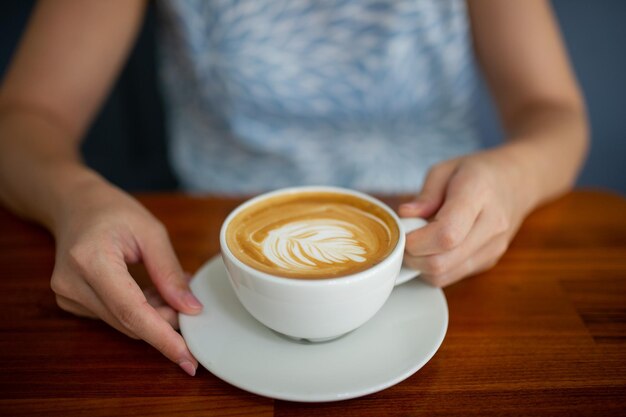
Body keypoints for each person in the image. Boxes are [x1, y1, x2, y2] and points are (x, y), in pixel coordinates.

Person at [0, 0, 588, 377]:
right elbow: (22, 119)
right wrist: (73, 198)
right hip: (205, 243)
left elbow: (556, 113)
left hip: (449, 251)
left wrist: (512, 178)